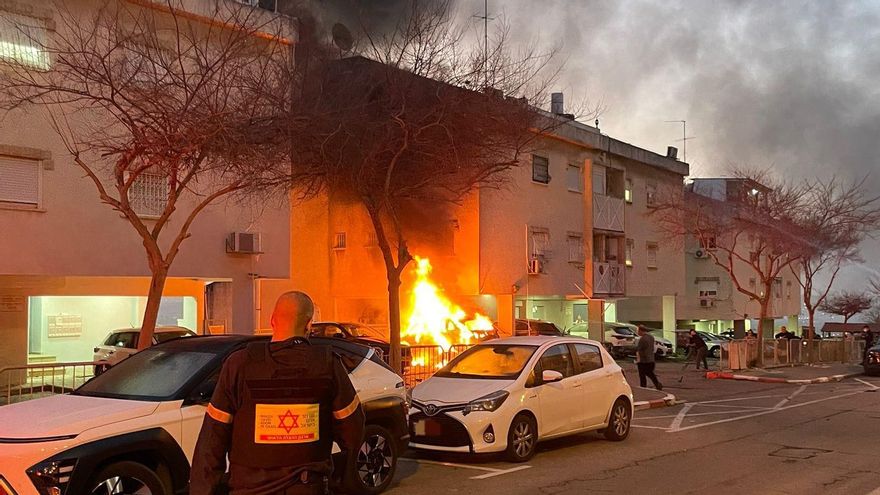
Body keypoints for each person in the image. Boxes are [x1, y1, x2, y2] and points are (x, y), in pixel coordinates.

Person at [191, 291, 365, 495]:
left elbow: (211, 442)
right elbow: (353, 433)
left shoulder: (239, 365)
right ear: (309, 324)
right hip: (307, 488)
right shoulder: (327, 365)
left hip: (249, 489)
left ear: (272, 320)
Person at [635, 325, 662, 390]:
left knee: (642, 375)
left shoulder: (642, 339)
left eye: (638, 330)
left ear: (641, 331)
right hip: (651, 359)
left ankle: (643, 387)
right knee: (650, 373)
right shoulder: (651, 337)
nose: (637, 332)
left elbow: (639, 350)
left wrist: (638, 360)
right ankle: (657, 383)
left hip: (643, 360)